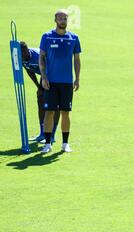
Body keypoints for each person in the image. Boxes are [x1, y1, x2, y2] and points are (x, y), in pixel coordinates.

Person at [39, 9, 81, 153]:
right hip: (51, 82)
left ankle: (65, 144)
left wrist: (77, 78)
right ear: (55, 20)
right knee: (49, 112)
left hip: (67, 82)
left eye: (65, 18)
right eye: (60, 18)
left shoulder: (74, 38)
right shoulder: (47, 37)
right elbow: (42, 58)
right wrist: (44, 77)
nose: (63, 20)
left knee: (65, 112)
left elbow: (76, 59)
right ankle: (47, 143)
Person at [20, 41, 59, 144]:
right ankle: (42, 133)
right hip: (44, 75)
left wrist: (43, 85)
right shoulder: (21, 58)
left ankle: (52, 135)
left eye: (24, 53)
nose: (23, 56)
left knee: (51, 105)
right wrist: (38, 86)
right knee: (40, 100)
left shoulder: (37, 56)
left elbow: (48, 70)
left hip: (53, 73)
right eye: (21, 55)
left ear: (27, 50)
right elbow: (29, 70)